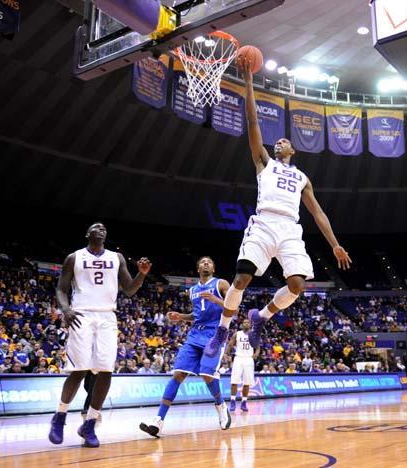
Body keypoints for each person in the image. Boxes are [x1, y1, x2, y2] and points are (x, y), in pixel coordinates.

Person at [204, 56, 352, 362]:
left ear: (292, 150)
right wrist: (247, 81)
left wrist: (335, 244)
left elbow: (318, 213)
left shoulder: (302, 177)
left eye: (284, 141)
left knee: (297, 285)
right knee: (242, 278)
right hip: (264, 223)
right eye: (277, 142)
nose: (279, 143)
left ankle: (262, 317)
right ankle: (223, 329)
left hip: (289, 229)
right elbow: (253, 122)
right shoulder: (264, 164)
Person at [48, 222, 151, 448]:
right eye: (96, 227)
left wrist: (141, 276)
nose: (101, 229)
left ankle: (90, 424)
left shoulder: (117, 258)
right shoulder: (74, 258)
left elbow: (130, 290)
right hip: (81, 314)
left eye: (104, 228)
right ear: (87, 234)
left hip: (107, 316)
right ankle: (60, 416)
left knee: (106, 370)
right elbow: (61, 289)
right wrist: (65, 309)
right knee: (80, 369)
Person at [139, 256, 231, 437]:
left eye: (210, 262)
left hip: (215, 334)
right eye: (203, 262)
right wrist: (181, 316)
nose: (206, 263)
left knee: (206, 374)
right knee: (178, 374)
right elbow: (196, 315)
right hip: (195, 335)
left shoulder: (221, 284)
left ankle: (221, 405)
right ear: (198, 269)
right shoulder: (193, 290)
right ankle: (158, 421)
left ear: (213, 268)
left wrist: (216, 300)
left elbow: (234, 309)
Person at [226, 319, 259, 412]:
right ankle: (232, 401)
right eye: (244, 322)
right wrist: (226, 353)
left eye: (248, 322)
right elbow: (230, 344)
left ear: (250, 324)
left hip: (249, 359)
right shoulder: (237, 333)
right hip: (239, 358)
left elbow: (258, 346)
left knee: (247, 383)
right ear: (242, 325)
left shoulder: (253, 334)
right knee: (234, 381)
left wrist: (256, 353)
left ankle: (244, 403)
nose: (246, 323)